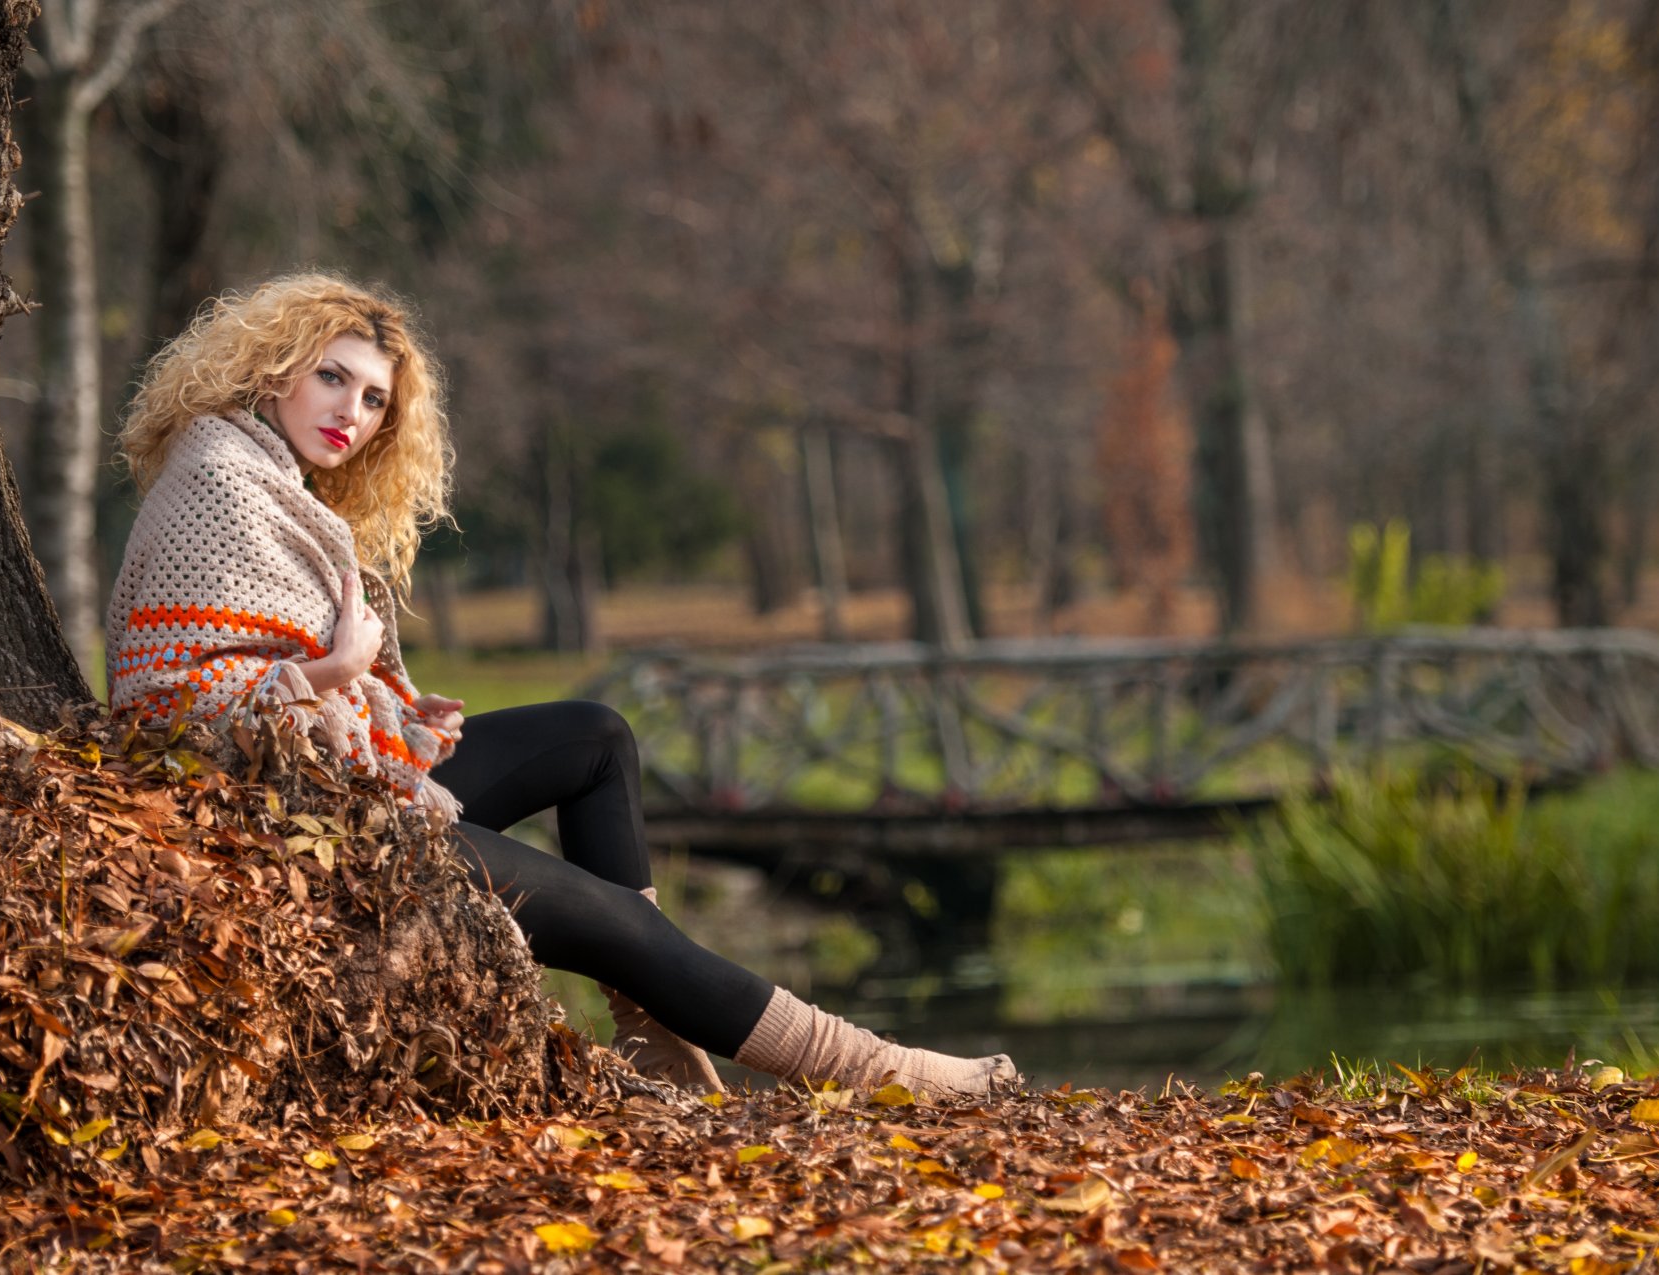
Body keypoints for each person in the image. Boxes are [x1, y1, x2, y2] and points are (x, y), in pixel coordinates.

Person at [105, 272, 1016, 1099]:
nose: (354, 411)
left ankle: (657, 1042)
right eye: (333, 378)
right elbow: (170, 703)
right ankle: (888, 1073)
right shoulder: (221, 478)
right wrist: (340, 672)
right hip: (285, 825)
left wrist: (392, 713)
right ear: (275, 369)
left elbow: (267, 669)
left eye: (376, 398)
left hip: (334, 786)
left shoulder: (274, 481)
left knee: (593, 737)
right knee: (623, 924)